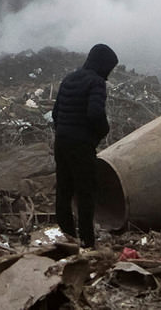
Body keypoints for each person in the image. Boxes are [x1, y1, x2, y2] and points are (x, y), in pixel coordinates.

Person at [52, 43, 118, 249]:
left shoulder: (69, 78)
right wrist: (101, 132)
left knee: (64, 189)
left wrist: (63, 130)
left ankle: (67, 237)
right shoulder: (96, 82)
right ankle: (87, 242)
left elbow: (55, 113)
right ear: (103, 65)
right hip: (81, 144)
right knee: (85, 192)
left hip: (61, 141)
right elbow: (95, 113)